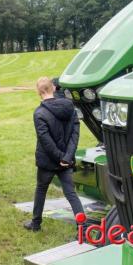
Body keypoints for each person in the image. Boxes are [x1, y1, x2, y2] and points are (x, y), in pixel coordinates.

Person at [24, 77, 84, 232]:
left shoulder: (40, 113)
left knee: (41, 189)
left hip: (50, 160)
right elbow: (75, 134)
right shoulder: (69, 107)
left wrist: (63, 157)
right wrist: (66, 157)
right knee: (71, 193)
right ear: (53, 88)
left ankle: (36, 224)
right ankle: (83, 228)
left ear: (39, 92)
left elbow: (46, 141)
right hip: (64, 159)